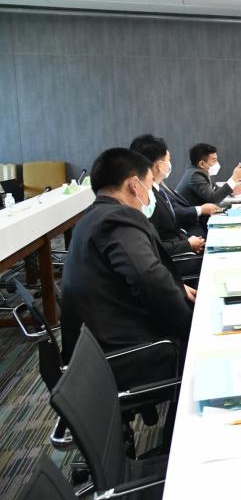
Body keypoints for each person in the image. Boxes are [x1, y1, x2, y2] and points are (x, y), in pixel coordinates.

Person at [61, 148, 194, 390]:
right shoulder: (118, 219)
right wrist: (192, 326)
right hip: (121, 352)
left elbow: (134, 274)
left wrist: (176, 286)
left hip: (94, 349)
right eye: (149, 185)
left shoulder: (93, 216)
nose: (150, 194)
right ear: (134, 185)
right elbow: (150, 280)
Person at [129, 135, 207, 266]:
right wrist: (188, 244)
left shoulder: (158, 189)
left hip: (182, 243)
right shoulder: (146, 199)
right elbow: (155, 246)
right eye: (168, 160)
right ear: (159, 166)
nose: (170, 164)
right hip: (174, 260)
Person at [176, 143, 241, 206]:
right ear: (202, 163)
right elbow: (213, 198)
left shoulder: (198, 171)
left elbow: (215, 190)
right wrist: (234, 178)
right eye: (214, 160)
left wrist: (231, 191)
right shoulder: (195, 176)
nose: (217, 163)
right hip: (192, 219)